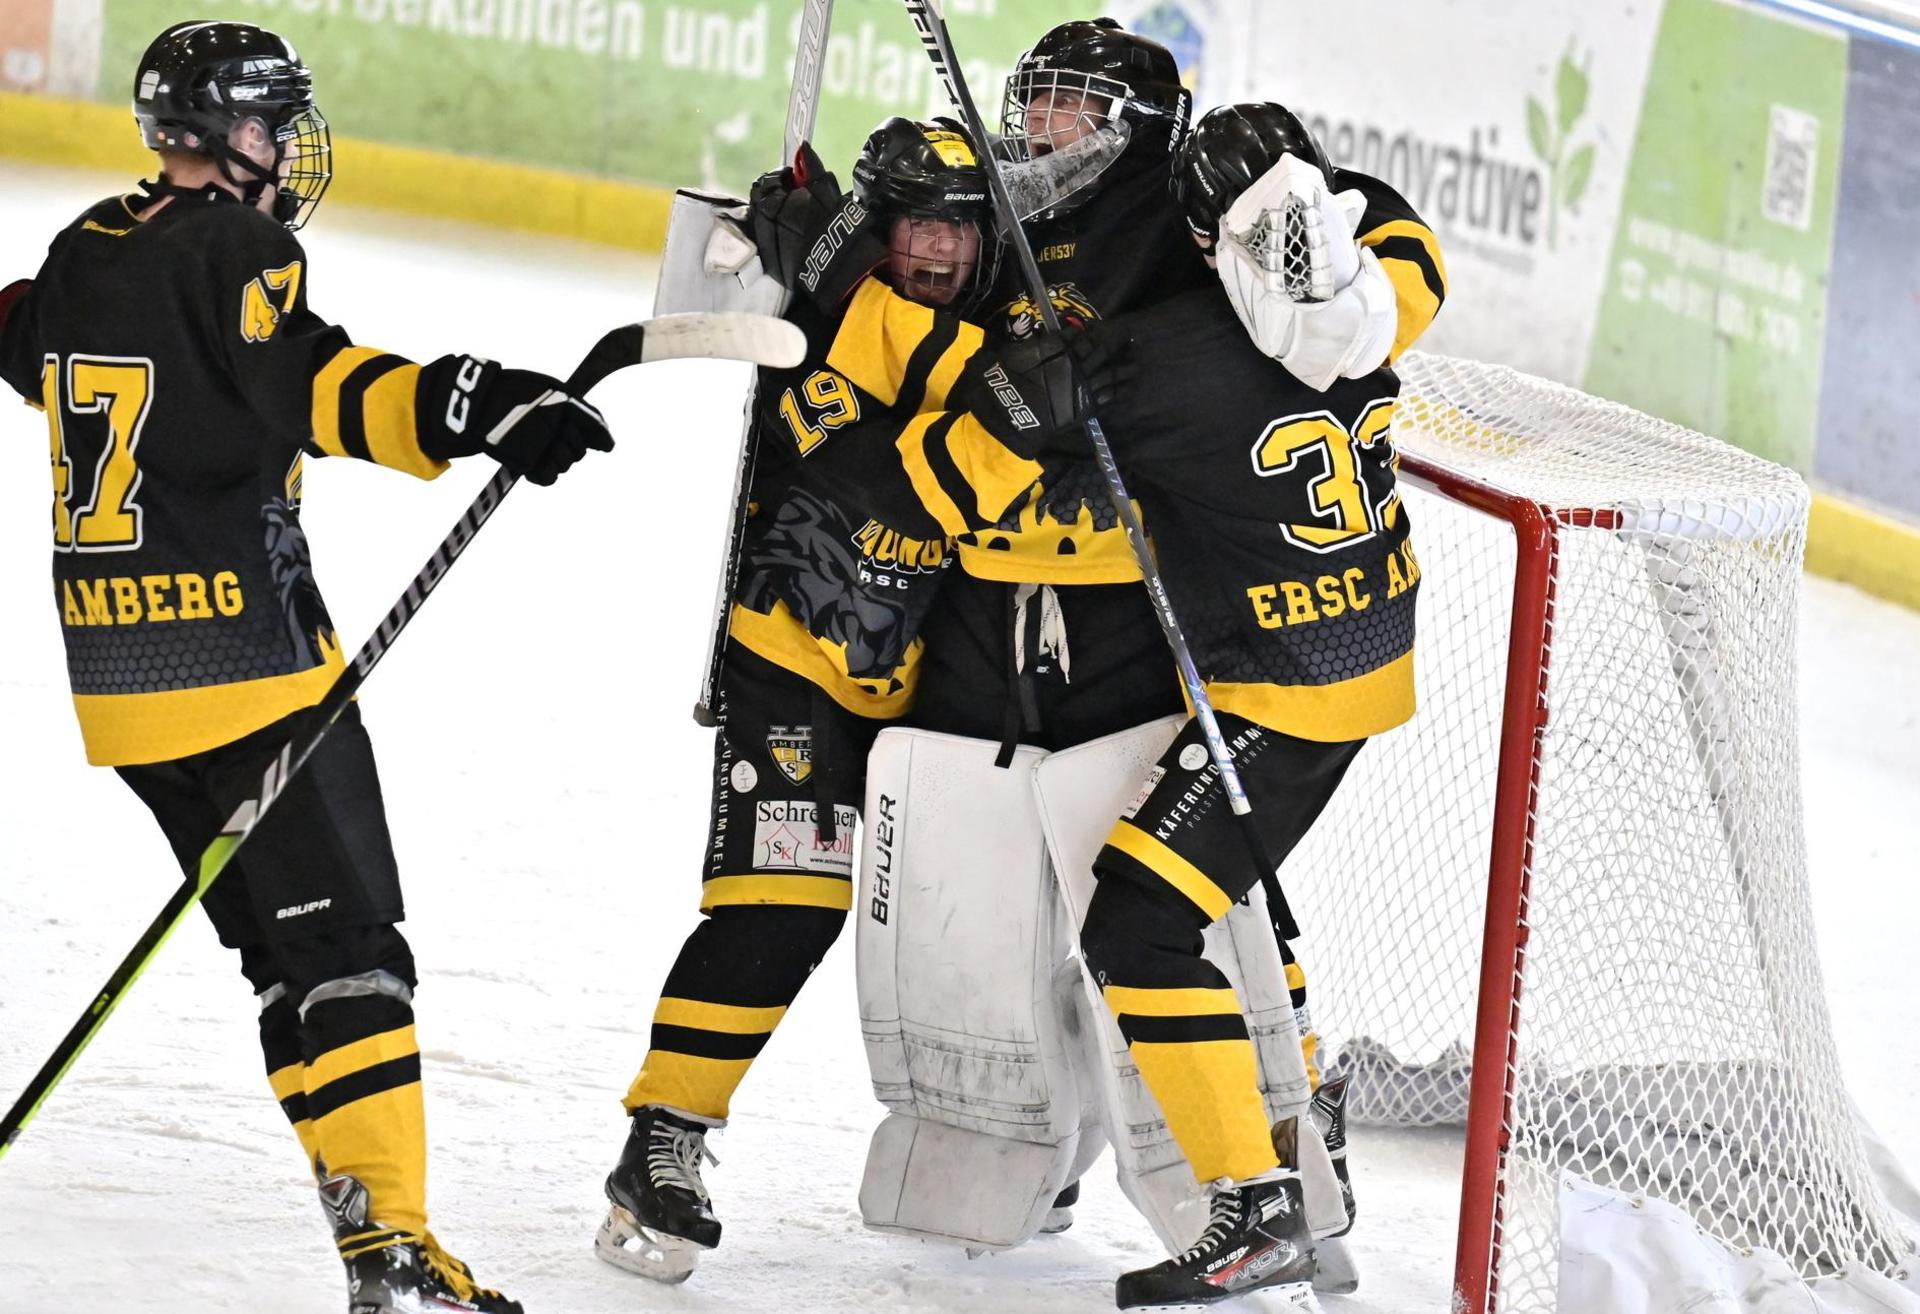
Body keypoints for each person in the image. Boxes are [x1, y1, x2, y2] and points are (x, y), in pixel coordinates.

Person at [0, 21, 612, 1314]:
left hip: (123, 689)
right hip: (249, 679)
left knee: (295, 964)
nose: (288, 150)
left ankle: (371, 1235)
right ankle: (394, 1250)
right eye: (275, 125)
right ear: (232, 133)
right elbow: (317, 385)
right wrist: (480, 401)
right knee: (349, 957)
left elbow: (27, 339)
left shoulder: (82, 248)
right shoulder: (240, 247)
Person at [593, 115, 1104, 1284]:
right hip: (798, 662)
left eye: (961, 227)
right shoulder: (839, 321)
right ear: (877, 229)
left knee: (995, 912)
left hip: (928, 678)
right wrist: (1024, 397)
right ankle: (662, 1139)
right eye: (913, 222)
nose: (937, 246)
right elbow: (915, 459)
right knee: (780, 910)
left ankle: (1040, 1137)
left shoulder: (929, 305)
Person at [1028, 103, 1421, 1309]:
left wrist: (1040, 377)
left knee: (1140, 926)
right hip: (1354, 650)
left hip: (1285, 689)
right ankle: (1299, 1116)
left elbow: (1011, 452)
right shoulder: (1370, 315)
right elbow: (1393, 253)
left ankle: (1256, 1209)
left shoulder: (1169, 359)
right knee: (1219, 887)